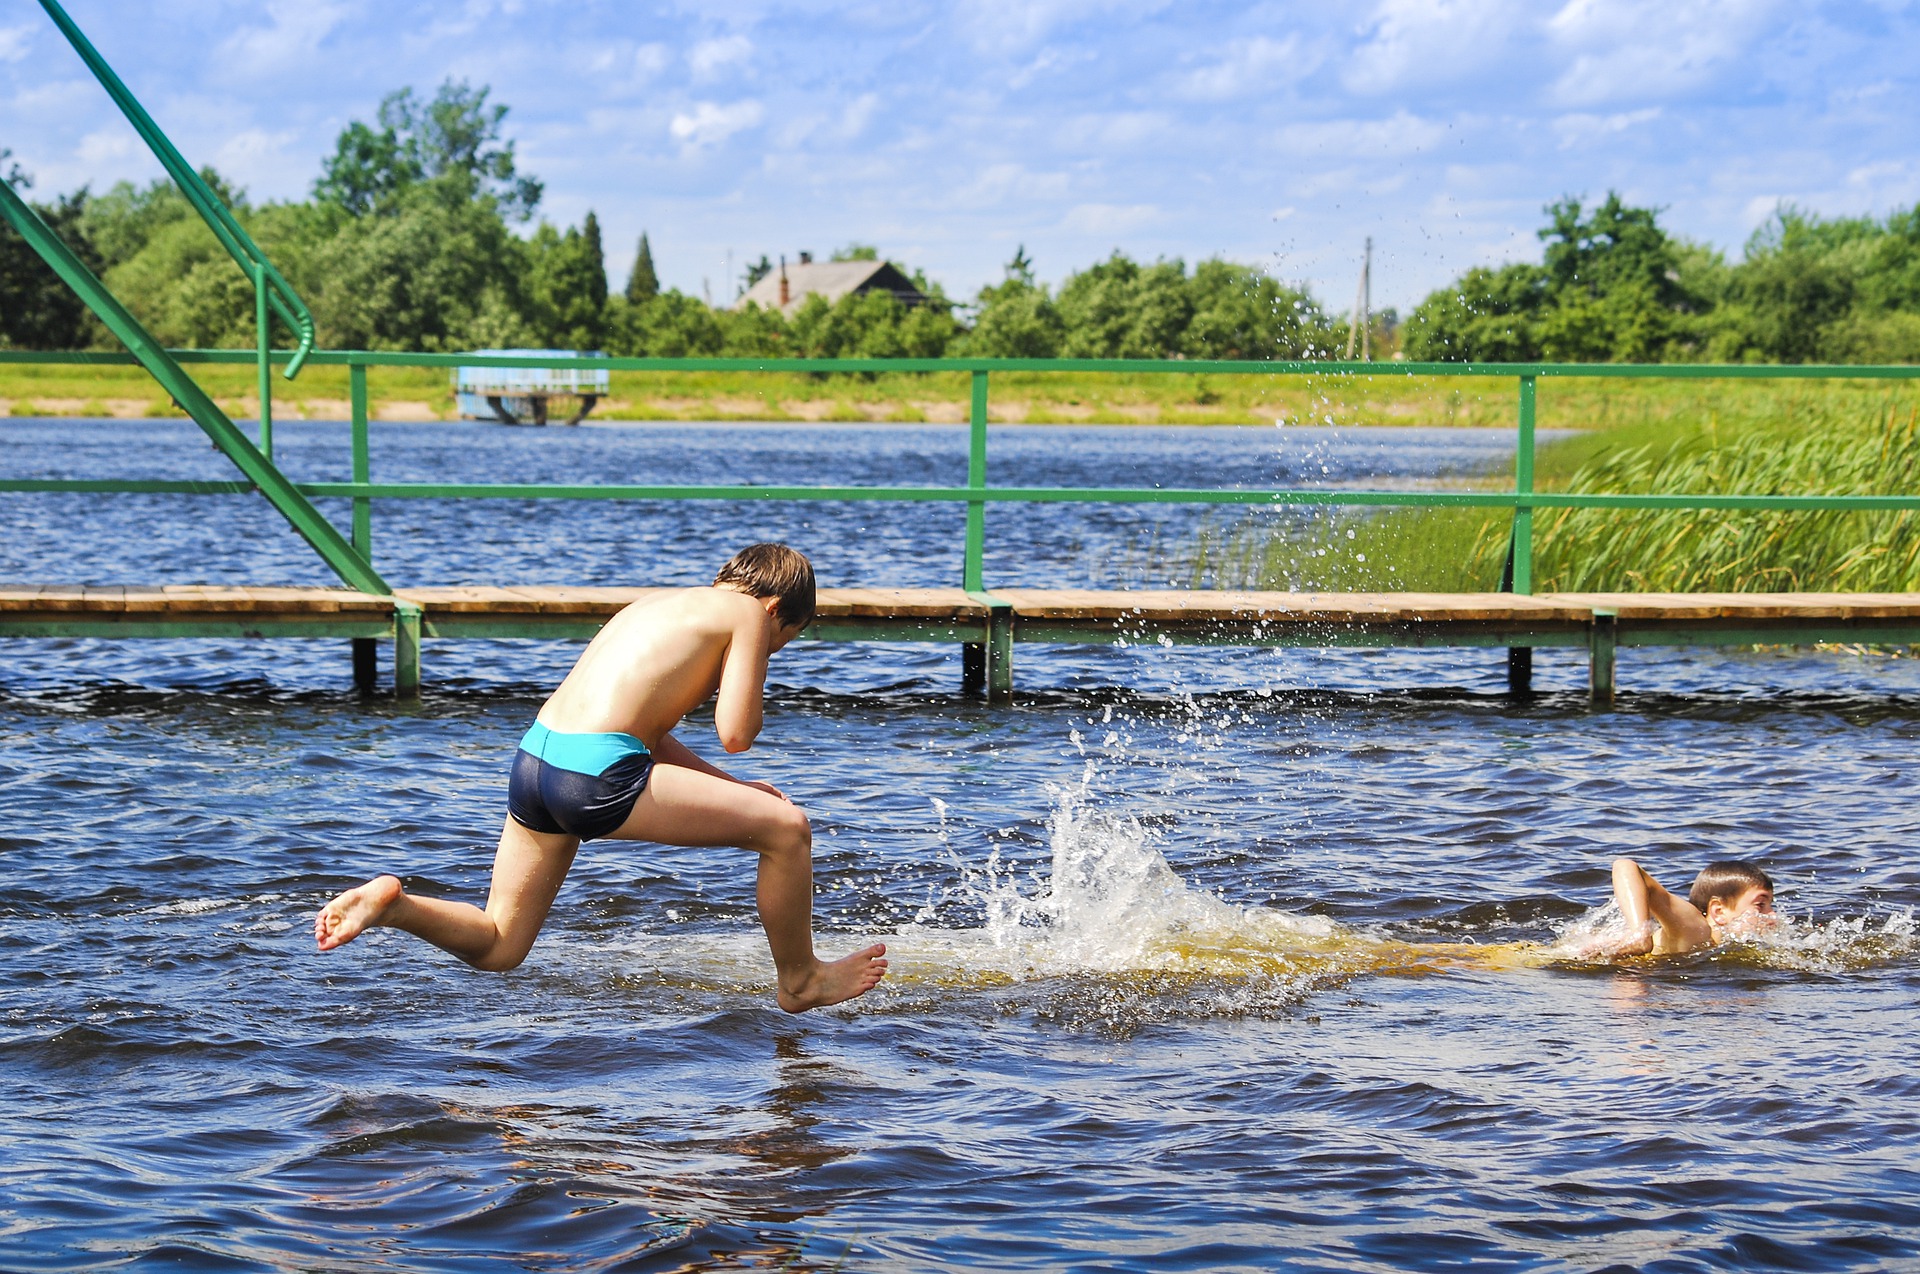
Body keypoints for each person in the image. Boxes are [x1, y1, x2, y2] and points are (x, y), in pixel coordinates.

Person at [314, 543, 888, 1013]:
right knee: (787, 828)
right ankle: (801, 979)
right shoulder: (748, 616)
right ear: (775, 609)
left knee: (499, 945)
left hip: (535, 762)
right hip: (594, 773)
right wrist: (756, 661)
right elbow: (736, 733)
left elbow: (649, 732)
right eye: (785, 638)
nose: (773, 649)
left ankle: (396, 907)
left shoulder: (655, 606)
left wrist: (736, 790)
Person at [1601, 857, 1779, 957]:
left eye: (1770, 904)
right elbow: (1624, 866)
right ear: (1719, 911)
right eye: (1760, 905)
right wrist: (1640, 935)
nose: (1772, 916)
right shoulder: (1696, 929)